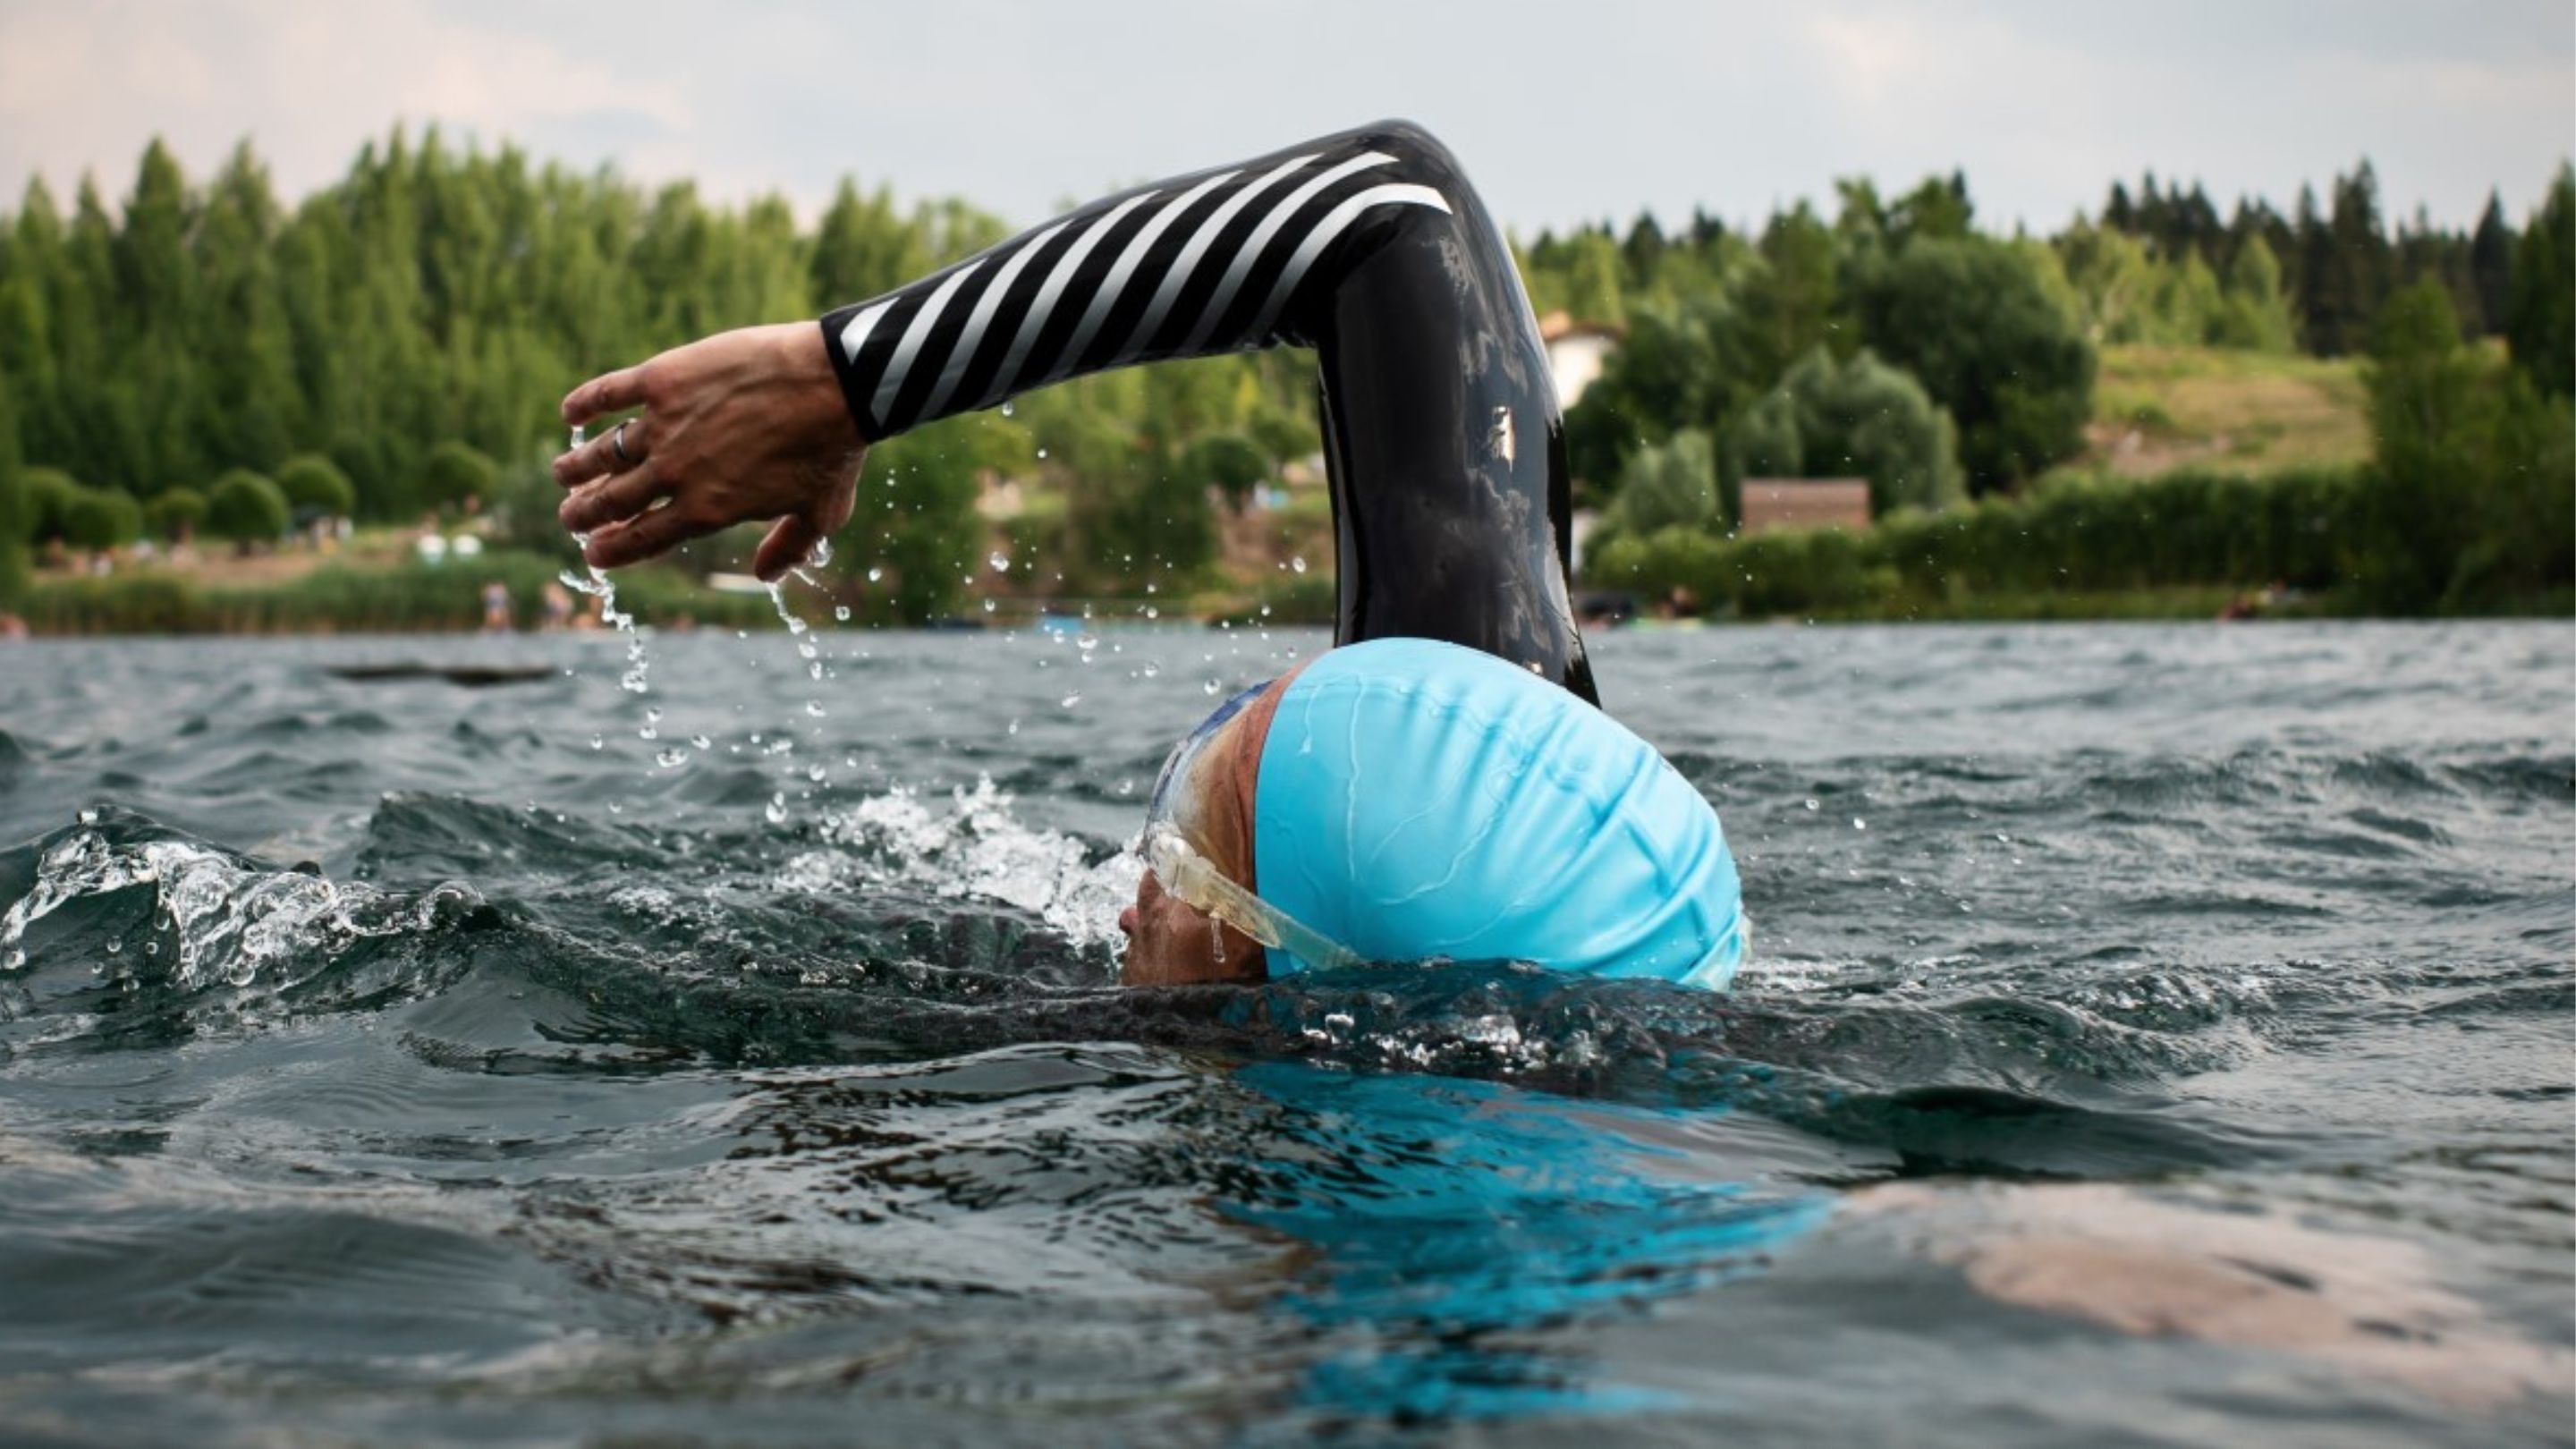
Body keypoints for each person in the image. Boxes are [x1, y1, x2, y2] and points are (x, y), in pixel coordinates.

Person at [553, 121, 1743, 990]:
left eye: (1189, 862)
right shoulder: (1510, 783)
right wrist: (843, 387)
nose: (1130, 903)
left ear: (1287, 981)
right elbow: (1394, 218)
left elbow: (1390, 201)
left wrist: (849, 377)